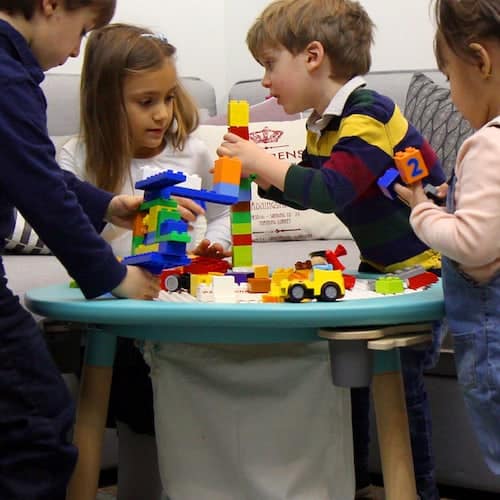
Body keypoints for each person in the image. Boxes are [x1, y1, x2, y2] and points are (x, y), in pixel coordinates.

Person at [217, 1, 447, 499]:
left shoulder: (369, 113)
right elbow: (302, 185)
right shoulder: (323, 123)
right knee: (353, 375)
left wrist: (258, 157)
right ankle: (357, 484)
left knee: (399, 386)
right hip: (383, 265)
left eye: (270, 64)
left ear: (313, 56)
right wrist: (257, 175)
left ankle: (419, 490)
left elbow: (329, 192)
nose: (264, 82)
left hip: (427, 266)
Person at [58, 23, 232, 500]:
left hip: (185, 304)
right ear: (105, 100)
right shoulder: (80, 159)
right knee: (139, 412)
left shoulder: (193, 152)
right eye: (145, 102)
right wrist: (130, 213)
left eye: (168, 98)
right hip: (120, 313)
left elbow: (222, 216)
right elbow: (74, 235)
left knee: (197, 401)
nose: (162, 114)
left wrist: (213, 245)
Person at [0, 2, 160, 499]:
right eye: (82, 31)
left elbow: (31, 165)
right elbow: (41, 188)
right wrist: (112, 275)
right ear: (50, 5)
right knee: (38, 420)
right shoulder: (6, 76)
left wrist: (106, 205)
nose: (74, 52)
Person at [395, 0, 500, 477]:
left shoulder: (486, 143)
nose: (453, 98)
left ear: (482, 61)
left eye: (451, 80)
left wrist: (423, 211)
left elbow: (475, 245)